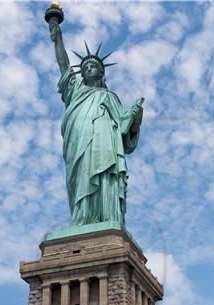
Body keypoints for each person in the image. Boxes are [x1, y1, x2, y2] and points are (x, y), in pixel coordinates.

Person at [48, 18, 144, 226]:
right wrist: (57, 37)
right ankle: (83, 218)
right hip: (79, 139)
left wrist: (135, 119)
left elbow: (124, 131)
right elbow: (64, 65)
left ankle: (108, 218)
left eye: (93, 66)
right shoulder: (75, 91)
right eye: (86, 67)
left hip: (106, 142)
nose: (89, 68)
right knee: (83, 175)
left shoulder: (110, 97)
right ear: (81, 74)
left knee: (107, 174)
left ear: (102, 72)